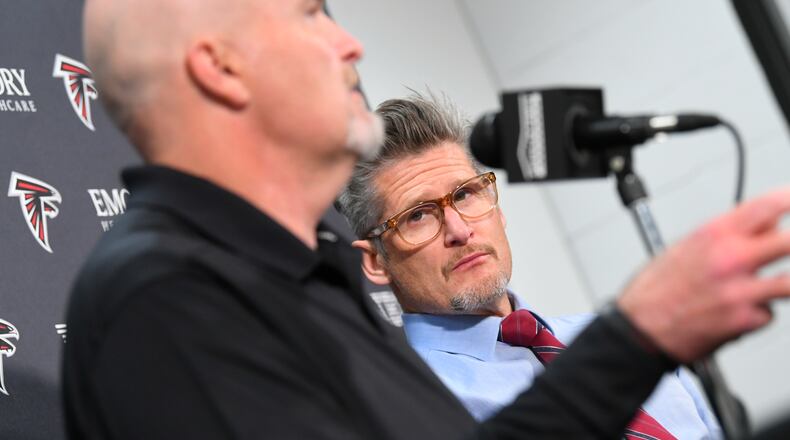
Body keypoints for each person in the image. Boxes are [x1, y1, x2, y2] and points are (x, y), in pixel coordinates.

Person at [64, 0, 790, 438]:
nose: (350, 42)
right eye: (310, 13)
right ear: (219, 68)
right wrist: (636, 338)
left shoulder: (298, 288)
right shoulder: (169, 299)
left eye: (469, 195)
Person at [338, 94, 722, 438]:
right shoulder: (406, 405)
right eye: (418, 216)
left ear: (497, 207)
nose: (459, 229)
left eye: (466, 194)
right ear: (374, 261)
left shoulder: (618, 337)